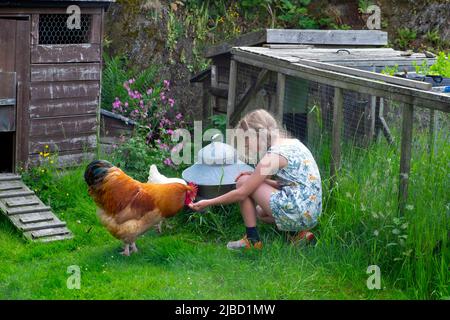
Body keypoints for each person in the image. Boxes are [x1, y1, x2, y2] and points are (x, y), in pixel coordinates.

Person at [189, 109, 322, 250]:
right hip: (312, 213)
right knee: (260, 212)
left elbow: (241, 193)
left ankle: (252, 240)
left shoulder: (273, 156)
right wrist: (257, 179)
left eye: (246, 142)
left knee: (242, 182)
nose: (247, 148)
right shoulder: (294, 144)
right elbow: (289, 184)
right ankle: (297, 235)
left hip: (298, 210)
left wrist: (208, 202)